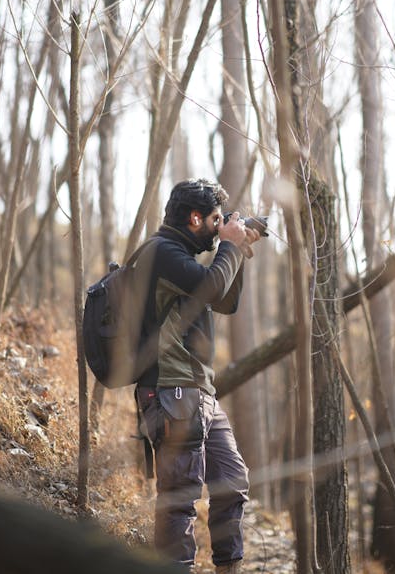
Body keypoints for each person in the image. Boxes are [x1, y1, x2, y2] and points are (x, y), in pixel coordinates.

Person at [135, 178, 261, 573]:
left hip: (199, 394)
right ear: (195, 218)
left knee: (232, 481)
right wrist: (227, 246)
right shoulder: (162, 252)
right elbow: (210, 286)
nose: (219, 224)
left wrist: (236, 249)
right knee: (180, 498)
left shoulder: (183, 258)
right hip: (171, 390)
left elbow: (225, 301)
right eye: (215, 219)